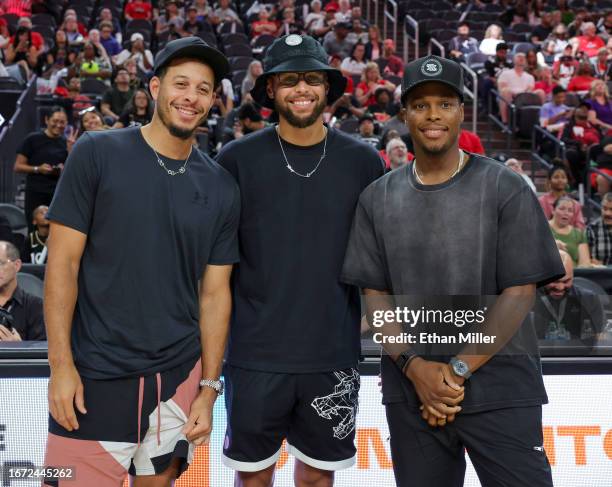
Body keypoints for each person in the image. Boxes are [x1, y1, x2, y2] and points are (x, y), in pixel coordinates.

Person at [341, 54, 564, 487]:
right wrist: (416, 368)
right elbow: (375, 298)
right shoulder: (376, 197)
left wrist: (454, 371)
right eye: (420, 105)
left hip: (501, 389)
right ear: (404, 113)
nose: (433, 115)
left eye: (445, 103)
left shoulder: (506, 185)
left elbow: (519, 294)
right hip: (412, 393)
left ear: (463, 110)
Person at [42, 37, 240, 486]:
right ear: (154, 87)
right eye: (181, 84)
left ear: (213, 100)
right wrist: (61, 368)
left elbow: (214, 294)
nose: (191, 97)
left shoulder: (222, 186)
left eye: (204, 89)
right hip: (93, 381)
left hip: (177, 383)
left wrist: (208, 390)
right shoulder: (95, 152)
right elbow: (62, 267)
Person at [216, 34, 383, 487]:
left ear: (328, 87)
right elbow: (216, 266)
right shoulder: (234, 160)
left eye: (311, 78)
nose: (302, 89)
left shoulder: (364, 161)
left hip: (332, 353)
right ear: (269, 89)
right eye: (289, 79)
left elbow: (380, 257)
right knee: (253, 478)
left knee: (316, 479)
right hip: (254, 353)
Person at [13, 106, 68, 228]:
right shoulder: (32, 139)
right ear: (46, 120)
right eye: (55, 121)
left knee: (56, 231)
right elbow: (17, 166)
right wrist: (38, 169)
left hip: (57, 194)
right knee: (33, 230)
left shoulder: (67, 142)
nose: (58, 125)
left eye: (62, 122)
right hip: (35, 192)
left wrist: (62, 168)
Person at [533, 250, 604, 341]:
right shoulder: (526, 300)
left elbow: (599, 341)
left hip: (579, 354)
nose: (560, 287)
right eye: (555, 281)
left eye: (566, 281)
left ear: (573, 276)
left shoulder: (590, 300)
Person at [0, 241, 45, 341]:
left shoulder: (36, 306)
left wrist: (19, 346)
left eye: (0, 263)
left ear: (17, 265)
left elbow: (43, 351)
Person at [549, 196, 592, 267]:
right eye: (562, 209)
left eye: (570, 210)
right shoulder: (542, 229)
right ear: (553, 210)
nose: (566, 213)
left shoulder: (578, 234)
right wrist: (552, 246)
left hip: (575, 275)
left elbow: (585, 263)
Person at [497, 52, 535, 123]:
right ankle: (505, 121)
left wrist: (522, 95)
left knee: (540, 92)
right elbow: (501, 88)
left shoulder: (530, 77)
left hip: (524, 97)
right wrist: (515, 94)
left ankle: (538, 122)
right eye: (519, 57)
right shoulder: (506, 73)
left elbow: (530, 90)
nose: (521, 58)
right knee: (506, 91)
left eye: (523, 57)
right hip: (510, 96)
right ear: (514, 60)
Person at [587, 192, 612, 265]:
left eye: (611, 209)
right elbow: (588, 260)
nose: (607, 213)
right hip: (600, 274)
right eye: (604, 208)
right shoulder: (592, 229)